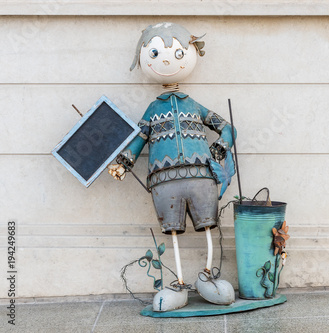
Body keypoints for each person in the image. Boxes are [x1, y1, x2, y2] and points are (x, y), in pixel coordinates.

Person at [108, 22, 236, 311]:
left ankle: (207, 275)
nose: (166, 60)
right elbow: (140, 139)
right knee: (174, 232)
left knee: (206, 228)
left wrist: (220, 147)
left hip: (202, 177)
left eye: (177, 53)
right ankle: (178, 281)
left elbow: (226, 128)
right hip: (164, 182)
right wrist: (125, 161)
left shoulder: (195, 106)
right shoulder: (152, 111)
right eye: (155, 53)